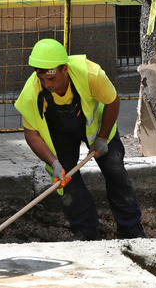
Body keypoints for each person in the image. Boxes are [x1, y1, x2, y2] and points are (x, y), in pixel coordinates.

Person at [14, 39, 145, 241]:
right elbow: (31, 134)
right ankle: (85, 231)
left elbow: (112, 101)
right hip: (60, 132)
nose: (47, 85)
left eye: (52, 79)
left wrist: (102, 138)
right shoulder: (32, 92)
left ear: (64, 69)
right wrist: (54, 162)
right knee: (66, 180)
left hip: (99, 128)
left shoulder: (90, 74)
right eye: (42, 79)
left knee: (115, 171)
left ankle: (131, 230)